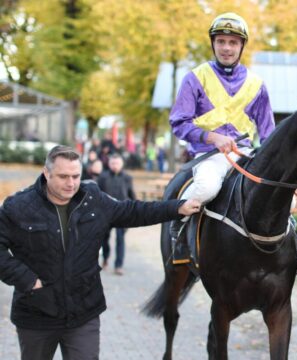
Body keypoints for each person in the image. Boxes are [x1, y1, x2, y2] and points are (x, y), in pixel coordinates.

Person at [0, 145, 201, 360]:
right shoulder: (18, 207)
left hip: (83, 313)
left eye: (76, 176)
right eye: (63, 176)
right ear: (46, 173)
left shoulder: (92, 199)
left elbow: (133, 211)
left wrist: (176, 208)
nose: (71, 183)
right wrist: (26, 279)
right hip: (36, 315)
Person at [169, 12, 275, 259]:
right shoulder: (195, 78)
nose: (226, 48)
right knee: (206, 188)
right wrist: (212, 138)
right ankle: (180, 228)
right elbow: (178, 122)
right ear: (213, 44)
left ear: (241, 46)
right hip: (208, 155)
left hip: (246, 155)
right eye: (221, 42)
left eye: (233, 42)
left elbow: (268, 132)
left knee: (283, 199)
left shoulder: (257, 84)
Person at [97, 153, 136, 275]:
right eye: (113, 163)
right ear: (109, 164)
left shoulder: (127, 178)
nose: (115, 166)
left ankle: (119, 265)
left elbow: (131, 195)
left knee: (120, 239)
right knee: (104, 239)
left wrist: (133, 211)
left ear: (122, 164)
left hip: (121, 213)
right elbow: (98, 195)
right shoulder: (102, 177)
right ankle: (105, 258)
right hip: (106, 213)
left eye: (117, 163)